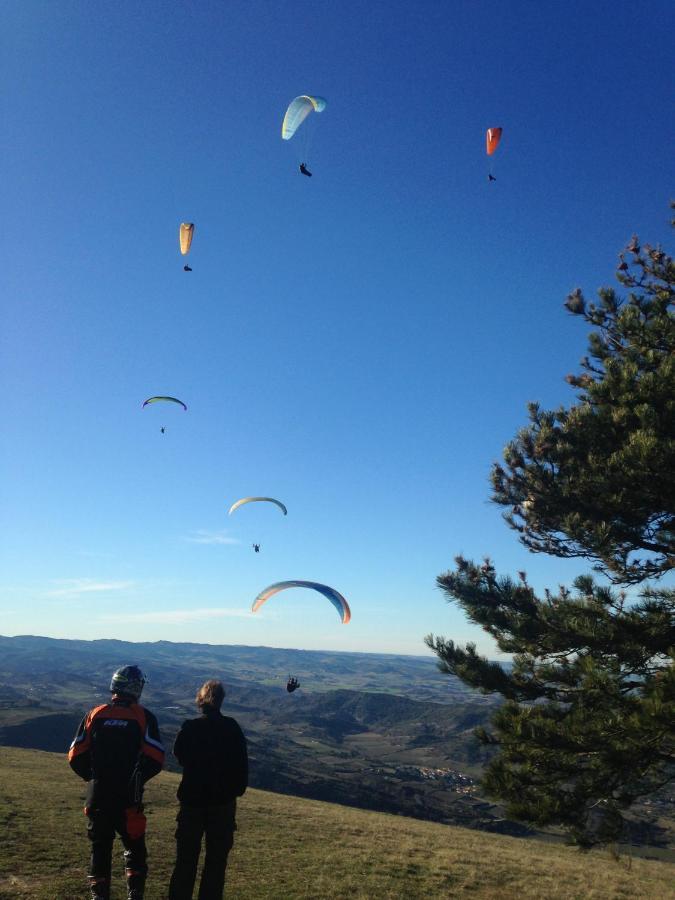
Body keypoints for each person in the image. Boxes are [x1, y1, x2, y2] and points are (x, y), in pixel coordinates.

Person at [69, 665, 165, 900]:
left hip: (98, 795)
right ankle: (134, 894)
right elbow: (156, 757)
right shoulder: (143, 716)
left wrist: (92, 777)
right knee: (134, 847)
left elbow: (75, 755)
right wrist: (138, 778)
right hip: (128, 797)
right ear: (135, 688)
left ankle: (99, 896)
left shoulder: (96, 713)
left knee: (99, 848)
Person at [168, 680, 248, 900]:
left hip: (192, 803)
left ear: (200, 700)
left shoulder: (190, 727)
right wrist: (234, 791)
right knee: (216, 863)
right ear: (221, 701)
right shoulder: (232, 728)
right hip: (222, 804)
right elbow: (242, 766)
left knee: (185, 860)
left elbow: (180, 756)